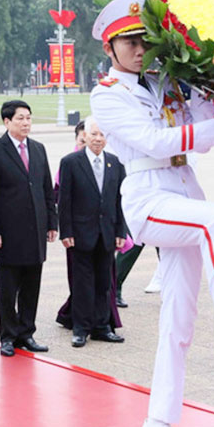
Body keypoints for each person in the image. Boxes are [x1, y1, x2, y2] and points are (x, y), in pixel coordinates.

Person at [89, 0, 214, 427]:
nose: (138, 49)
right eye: (128, 42)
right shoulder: (107, 94)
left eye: (144, 40)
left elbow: (204, 130)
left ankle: (159, 420)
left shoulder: (167, 82)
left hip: (183, 188)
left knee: (178, 316)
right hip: (148, 197)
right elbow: (154, 141)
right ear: (109, 48)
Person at [0, 100, 57, 357]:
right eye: (20, 119)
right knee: (7, 289)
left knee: (31, 287)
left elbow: (47, 188)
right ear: (7, 121)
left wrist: (51, 222)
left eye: (28, 118)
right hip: (7, 234)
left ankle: (27, 333)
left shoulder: (38, 149)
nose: (26, 123)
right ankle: (8, 336)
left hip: (35, 231)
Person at [58, 116, 127, 347]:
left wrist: (120, 231)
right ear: (84, 136)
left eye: (102, 135)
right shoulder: (70, 162)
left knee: (103, 282)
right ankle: (80, 328)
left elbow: (119, 201)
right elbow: (64, 200)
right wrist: (65, 231)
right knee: (82, 283)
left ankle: (101, 326)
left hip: (106, 233)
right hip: (80, 234)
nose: (98, 139)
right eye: (94, 134)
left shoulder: (116, 163)